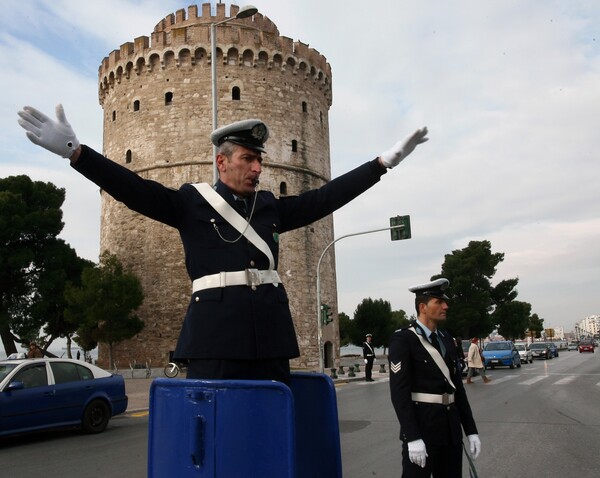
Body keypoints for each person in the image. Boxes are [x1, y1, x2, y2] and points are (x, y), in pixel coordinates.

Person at [17, 104, 428, 384]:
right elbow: (133, 189)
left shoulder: (269, 208)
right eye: (248, 158)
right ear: (222, 161)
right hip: (213, 340)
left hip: (270, 337)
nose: (257, 167)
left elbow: (325, 198)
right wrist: (77, 153)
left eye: (259, 160)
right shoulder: (190, 203)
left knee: (269, 434)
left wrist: (381, 165)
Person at [388, 278, 480, 477]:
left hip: (450, 431)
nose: (446, 306)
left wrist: (471, 430)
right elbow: (399, 394)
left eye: (445, 302)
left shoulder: (446, 338)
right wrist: (412, 437)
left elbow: (458, 389)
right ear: (423, 306)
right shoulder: (404, 340)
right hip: (423, 430)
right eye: (439, 302)